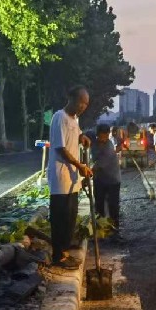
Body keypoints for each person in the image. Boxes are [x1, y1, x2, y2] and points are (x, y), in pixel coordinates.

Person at [48, 86, 92, 269]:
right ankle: (59, 256)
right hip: (61, 178)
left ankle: (65, 253)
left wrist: (83, 136)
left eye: (86, 104)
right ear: (71, 98)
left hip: (72, 180)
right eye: (81, 102)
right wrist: (80, 165)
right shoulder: (60, 117)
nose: (83, 106)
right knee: (60, 219)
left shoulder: (74, 119)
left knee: (70, 219)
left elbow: (75, 133)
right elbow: (60, 148)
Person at [91, 124, 122, 233]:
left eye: (106, 135)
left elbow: (101, 163)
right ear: (97, 134)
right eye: (102, 135)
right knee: (99, 203)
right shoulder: (93, 143)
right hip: (99, 179)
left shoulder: (109, 145)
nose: (104, 137)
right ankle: (100, 225)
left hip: (113, 179)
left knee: (113, 204)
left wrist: (90, 170)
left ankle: (114, 226)